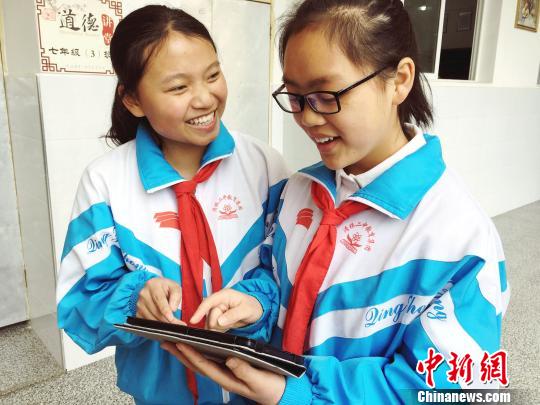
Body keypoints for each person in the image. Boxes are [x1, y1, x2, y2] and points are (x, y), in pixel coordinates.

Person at [161, 0, 510, 403]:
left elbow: (450, 389)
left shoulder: (458, 237)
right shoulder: (299, 190)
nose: (307, 118)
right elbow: (274, 276)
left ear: (399, 80)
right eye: (295, 96)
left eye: (327, 95)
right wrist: (256, 303)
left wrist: (299, 394)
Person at [56, 5, 288, 404]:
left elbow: (287, 271)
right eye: (179, 88)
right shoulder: (105, 181)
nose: (205, 98)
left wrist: (255, 302)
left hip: (255, 387)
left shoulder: (265, 166)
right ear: (133, 99)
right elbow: (80, 301)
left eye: (213, 75)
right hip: (161, 393)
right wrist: (136, 297)